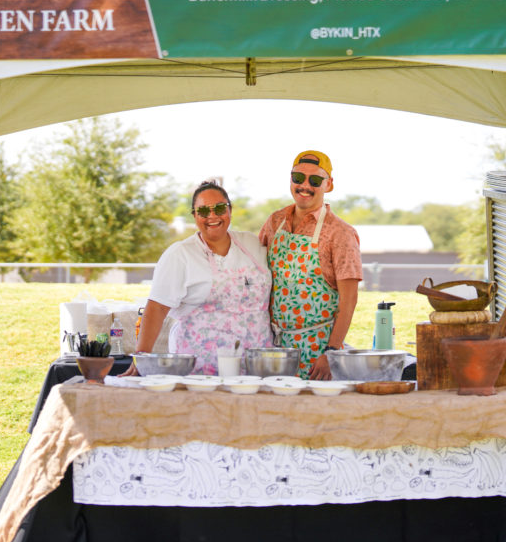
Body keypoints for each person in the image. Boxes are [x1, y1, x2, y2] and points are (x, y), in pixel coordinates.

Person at [127, 181, 274, 375]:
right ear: (195, 216)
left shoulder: (252, 244)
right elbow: (157, 308)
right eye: (203, 211)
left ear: (230, 210)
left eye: (220, 208)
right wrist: (141, 358)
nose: (212, 216)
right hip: (200, 372)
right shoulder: (180, 254)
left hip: (257, 370)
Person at [259, 150, 362, 380]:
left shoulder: (341, 233)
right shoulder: (275, 221)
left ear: (329, 185)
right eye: (298, 178)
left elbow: (349, 300)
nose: (305, 185)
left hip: (318, 353)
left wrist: (331, 353)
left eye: (315, 180)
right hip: (274, 348)